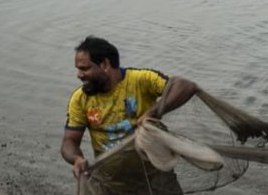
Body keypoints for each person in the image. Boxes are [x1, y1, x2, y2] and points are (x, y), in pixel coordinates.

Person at [61, 36, 199, 191]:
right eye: (78, 69)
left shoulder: (141, 79)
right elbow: (69, 142)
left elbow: (185, 86)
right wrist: (76, 158)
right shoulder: (80, 99)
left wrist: (153, 112)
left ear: (105, 64)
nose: (79, 75)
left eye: (85, 68)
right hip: (110, 185)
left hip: (157, 179)